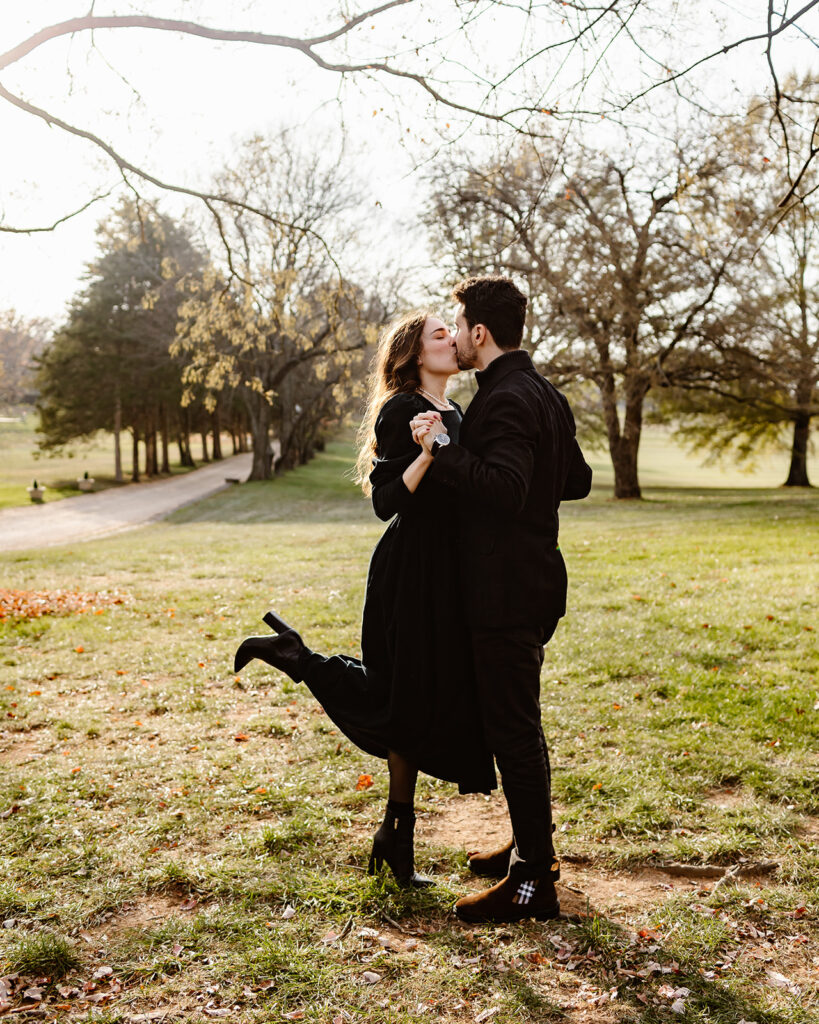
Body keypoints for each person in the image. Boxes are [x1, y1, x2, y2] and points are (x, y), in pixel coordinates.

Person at [233, 311, 496, 887]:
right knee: (403, 696)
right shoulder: (403, 408)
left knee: (415, 699)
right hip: (412, 572)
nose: (450, 341)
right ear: (411, 353)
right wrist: (428, 453)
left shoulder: (460, 412)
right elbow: (385, 501)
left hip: (448, 575)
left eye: (451, 334)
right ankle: (299, 660)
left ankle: (391, 838)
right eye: (437, 335)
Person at [409, 275, 592, 924]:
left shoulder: (508, 399)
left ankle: (532, 880)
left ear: (478, 333)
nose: (453, 337)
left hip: (506, 591)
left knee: (513, 730)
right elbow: (575, 479)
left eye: (457, 327)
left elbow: (506, 488)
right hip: (532, 580)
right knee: (514, 724)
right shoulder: (543, 393)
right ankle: (526, 844)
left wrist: (443, 447)